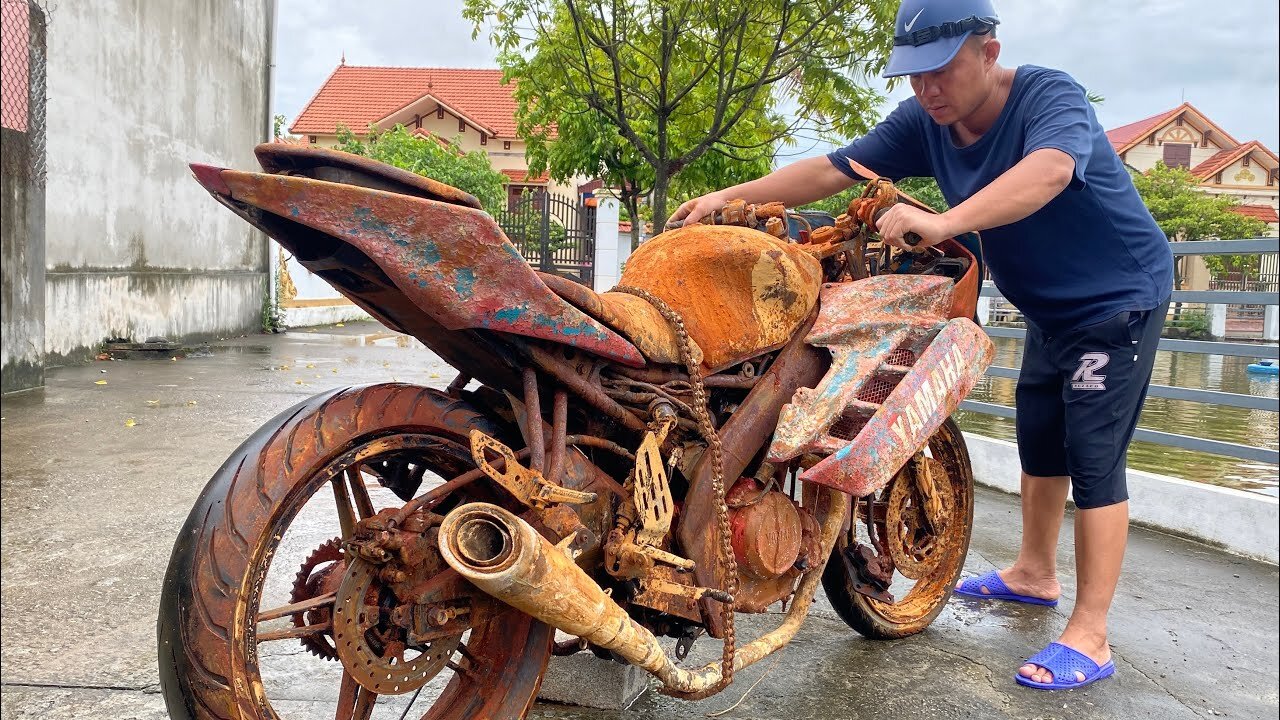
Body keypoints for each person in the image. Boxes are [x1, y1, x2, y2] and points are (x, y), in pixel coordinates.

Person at [669, 0, 1173, 692]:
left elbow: (1051, 171)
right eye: (914, 77)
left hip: (1119, 300)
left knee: (1093, 454)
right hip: (1052, 311)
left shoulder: (1045, 96)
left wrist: (945, 221)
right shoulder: (927, 122)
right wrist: (727, 195)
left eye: (940, 71)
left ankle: (1091, 630)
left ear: (989, 53)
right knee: (1041, 433)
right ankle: (1034, 572)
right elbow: (831, 170)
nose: (927, 90)